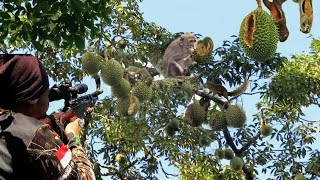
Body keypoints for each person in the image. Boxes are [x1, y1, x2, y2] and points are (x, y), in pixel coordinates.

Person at [0, 54, 96, 179]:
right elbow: (83, 177)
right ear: (34, 100)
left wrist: (58, 121)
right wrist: (73, 136)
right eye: (46, 90)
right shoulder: (36, 135)